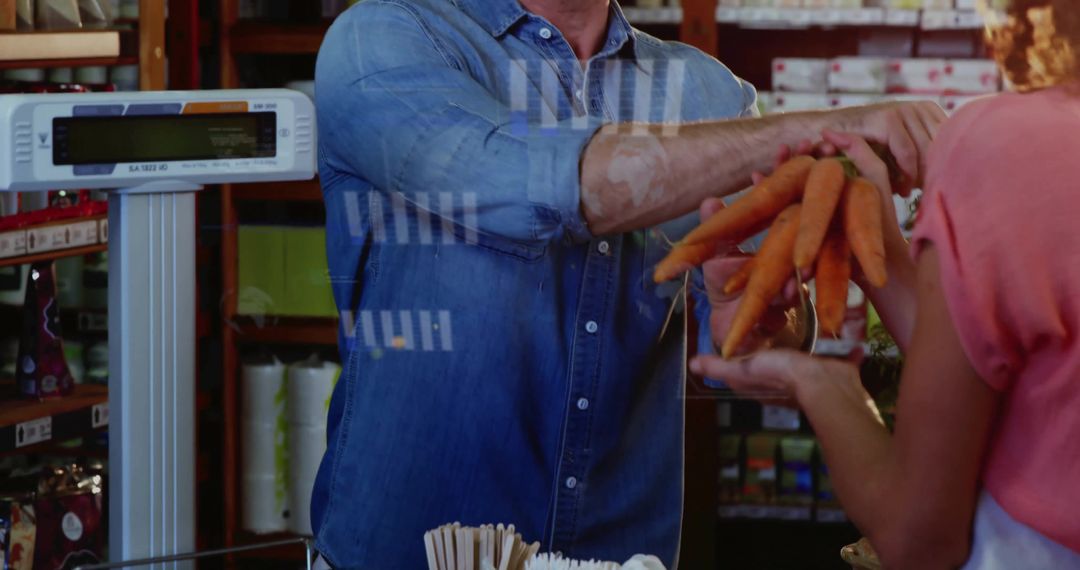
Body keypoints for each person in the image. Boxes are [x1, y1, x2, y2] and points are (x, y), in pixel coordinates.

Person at [311, 0, 944, 566]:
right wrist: (817, 131)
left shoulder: (708, 92)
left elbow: (756, 354)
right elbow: (546, 181)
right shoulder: (385, 38)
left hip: (621, 556)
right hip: (406, 551)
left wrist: (755, 325)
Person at [692, 1, 1080, 568]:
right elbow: (1006, 366)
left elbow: (919, 538)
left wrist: (827, 387)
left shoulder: (1003, 142)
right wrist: (878, 243)